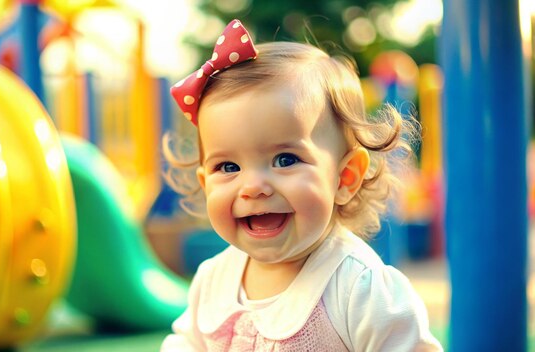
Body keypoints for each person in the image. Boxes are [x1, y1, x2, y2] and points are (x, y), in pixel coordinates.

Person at [161, 19, 442, 351]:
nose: (253, 186)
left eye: (285, 160)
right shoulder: (213, 280)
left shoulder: (359, 289)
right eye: (228, 166)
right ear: (205, 184)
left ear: (345, 177)